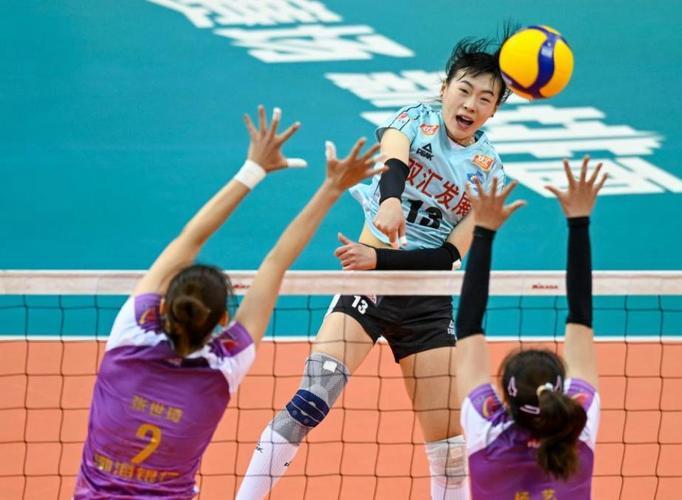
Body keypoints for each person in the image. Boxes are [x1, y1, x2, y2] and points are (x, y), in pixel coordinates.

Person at [239, 35, 512, 500]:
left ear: (494, 111)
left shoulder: (490, 175)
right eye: (464, 90)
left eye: (485, 99)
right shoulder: (414, 119)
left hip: (425, 302)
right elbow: (394, 162)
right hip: (367, 289)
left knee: (449, 451)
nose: (470, 104)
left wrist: (380, 257)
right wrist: (389, 202)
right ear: (444, 88)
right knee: (310, 401)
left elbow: (449, 257)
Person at [73, 105, 383, 499]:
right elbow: (276, 262)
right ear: (222, 320)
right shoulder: (223, 366)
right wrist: (332, 189)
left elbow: (190, 238)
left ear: (163, 306)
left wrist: (252, 169)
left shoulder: (130, 333)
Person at [455, 157, 607, 499]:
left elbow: (466, 326)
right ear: (560, 391)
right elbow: (581, 318)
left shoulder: (485, 430)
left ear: (506, 396)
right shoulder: (579, 428)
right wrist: (579, 222)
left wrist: (483, 231)